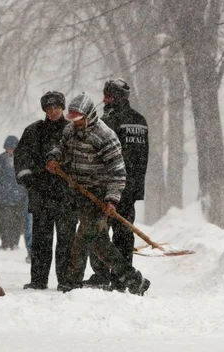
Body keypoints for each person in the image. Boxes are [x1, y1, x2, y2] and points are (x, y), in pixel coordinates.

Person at [45, 92, 150, 296]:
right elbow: (62, 149)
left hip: (99, 195)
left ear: (89, 115)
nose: (76, 124)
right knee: (99, 243)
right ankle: (135, 280)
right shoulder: (70, 131)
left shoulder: (105, 136)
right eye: (73, 120)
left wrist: (112, 199)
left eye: (79, 120)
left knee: (82, 239)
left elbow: (118, 172)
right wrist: (54, 158)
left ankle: (71, 283)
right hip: (80, 193)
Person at [83, 79, 149, 291]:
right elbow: (142, 158)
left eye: (108, 96)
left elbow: (102, 156)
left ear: (117, 97)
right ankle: (121, 278)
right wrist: (136, 187)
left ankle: (102, 274)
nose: (104, 99)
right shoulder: (140, 120)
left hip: (108, 186)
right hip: (130, 188)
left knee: (99, 232)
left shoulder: (108, 122)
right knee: (124, 232)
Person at [15, 91, 77, 290]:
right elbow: (22, 158)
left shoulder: (73, 130)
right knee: (42, 240)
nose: (53, 112)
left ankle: (66, 280)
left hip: (66, 195)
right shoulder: (33, 131)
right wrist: (30, 179)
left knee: (66, 240)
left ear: (63, 108)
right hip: (41, 194)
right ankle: (38, 279)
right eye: (49, 109)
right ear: (44, 110)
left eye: (56, 108)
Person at [0, 135, 29, 251]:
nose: (12, 150)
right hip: (2, 197)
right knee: (3, 221)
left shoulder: (23, 160)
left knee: (17, 221)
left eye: (14, 147)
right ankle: (5, 241)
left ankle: (14, 242)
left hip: (19, 197)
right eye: (10, 147)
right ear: (6, 147)